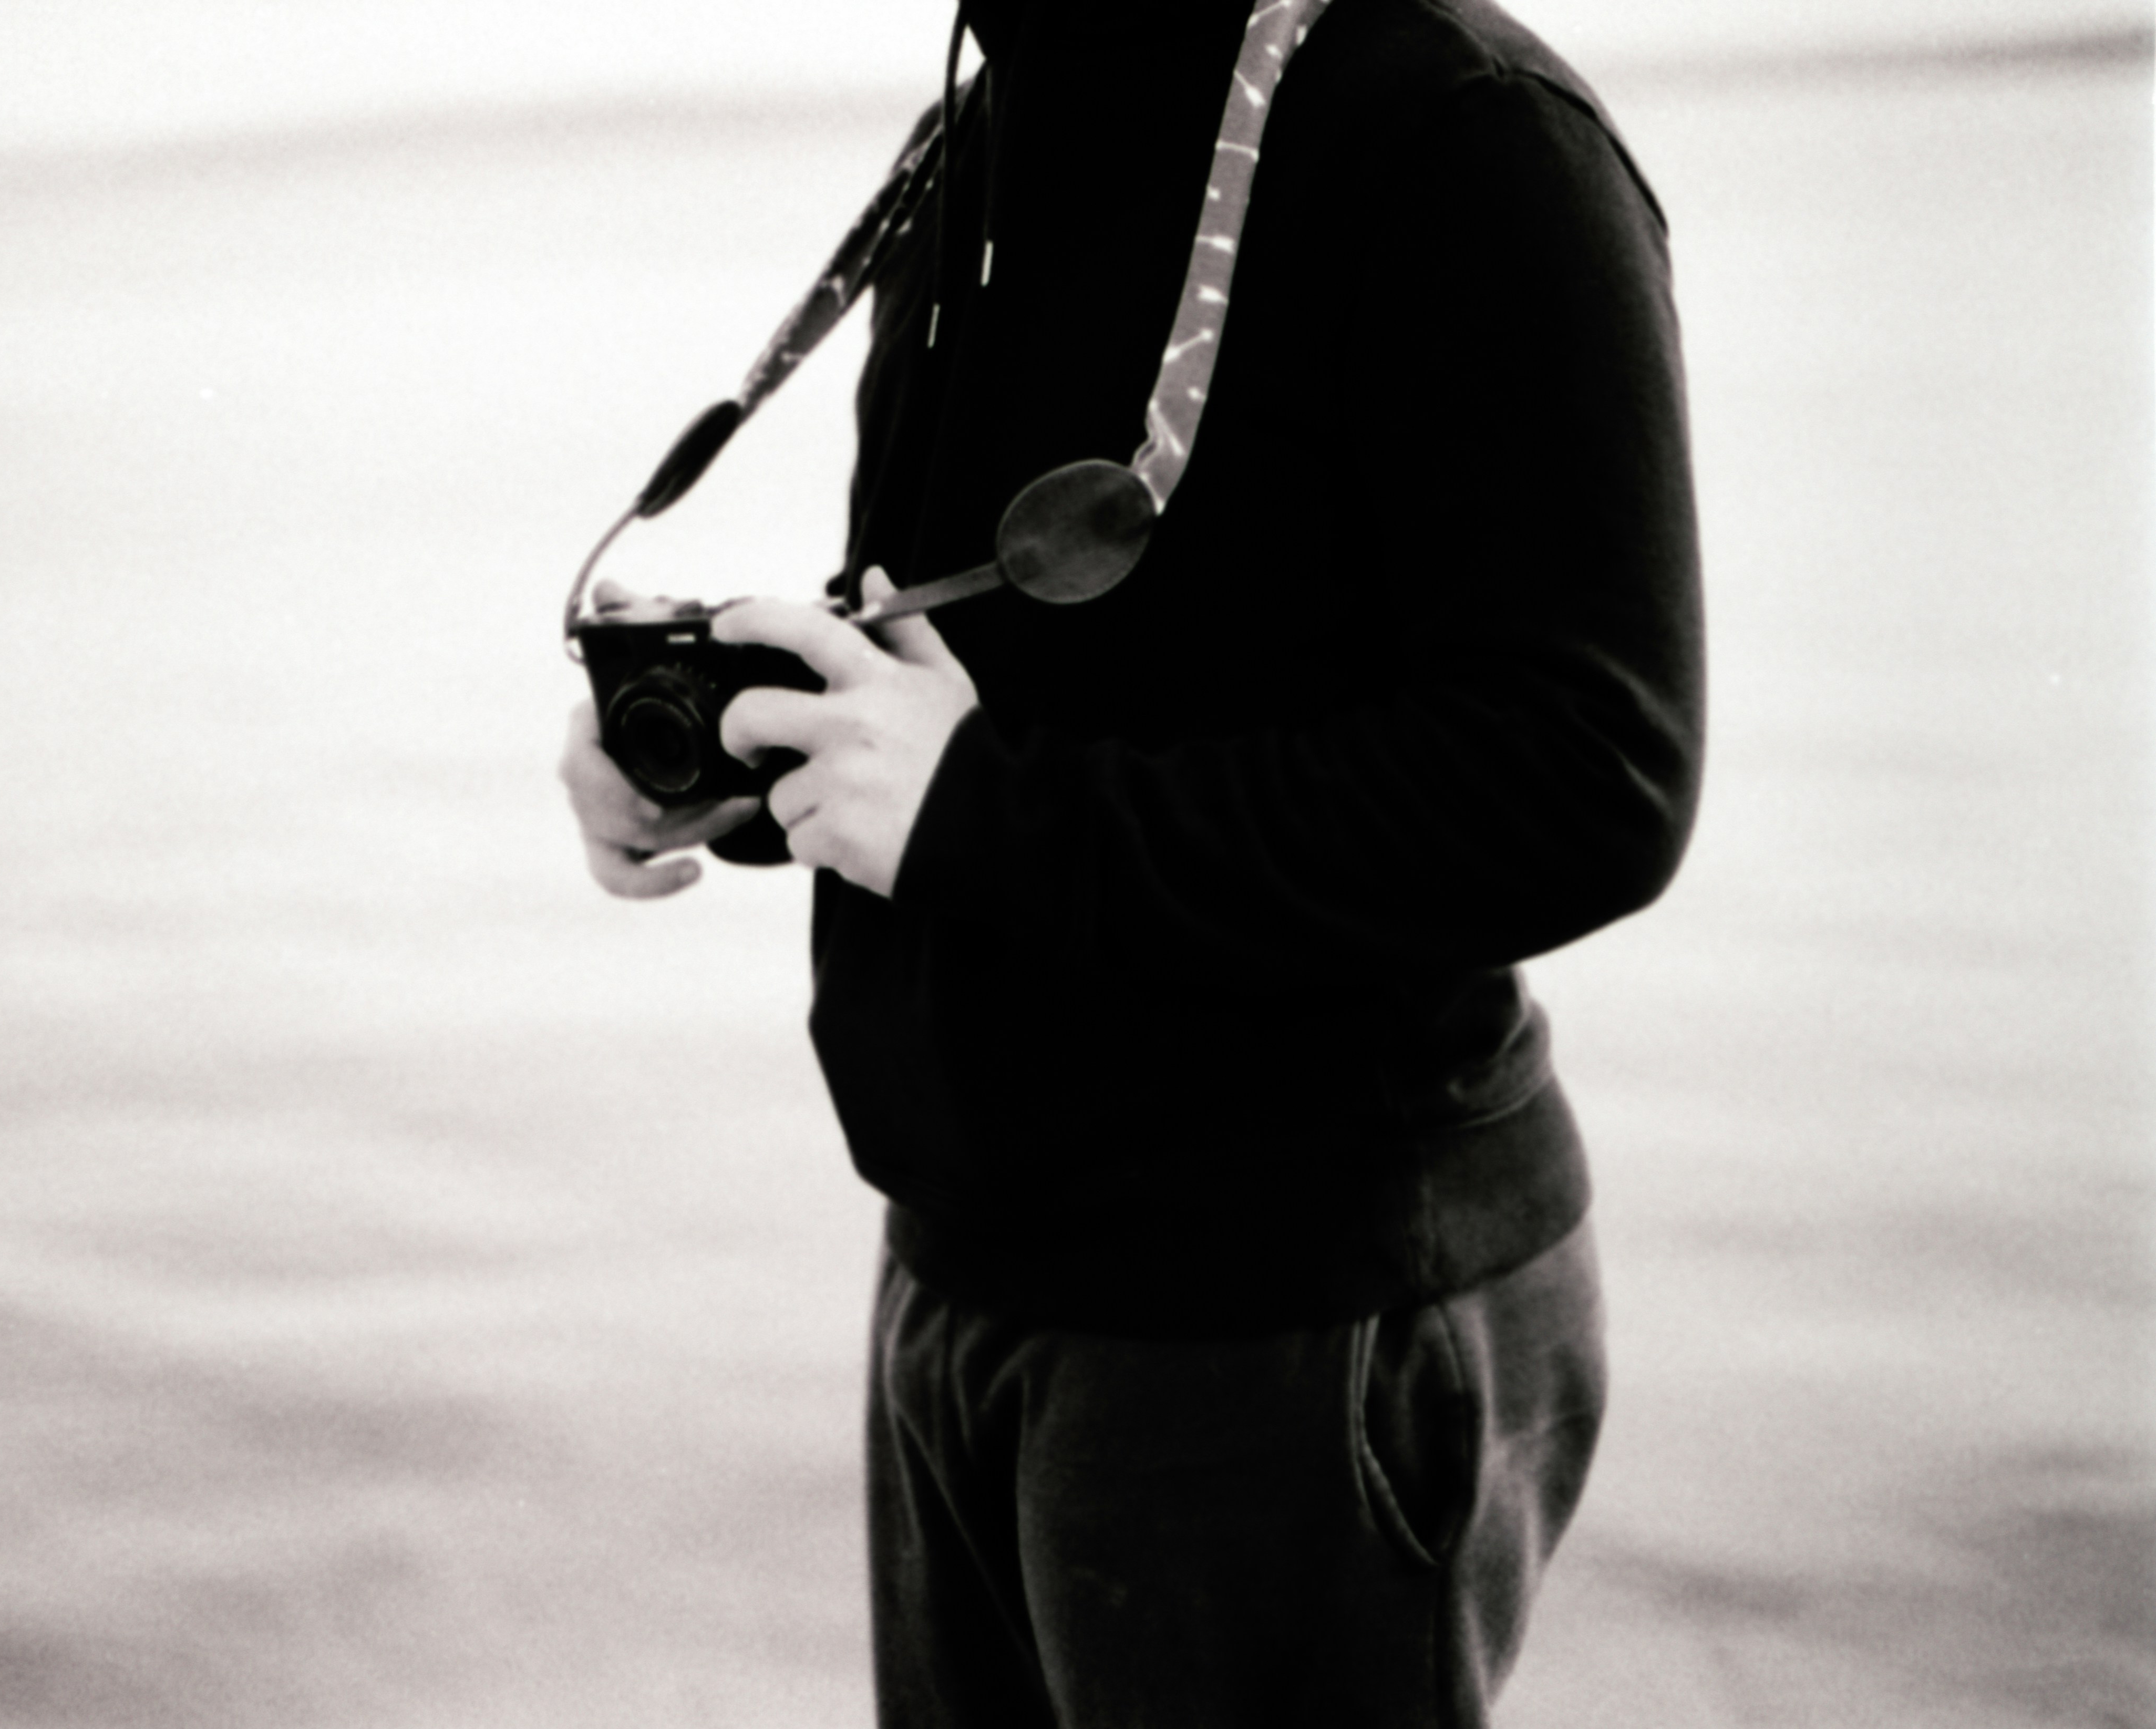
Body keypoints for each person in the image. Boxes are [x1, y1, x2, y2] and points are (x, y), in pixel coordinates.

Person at [559, 0, 1703, 1721]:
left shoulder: (1458, 122)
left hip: (1287, 1309)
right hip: (965, 1270)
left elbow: (1590, 771)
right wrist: (726, 755)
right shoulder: (994, 124)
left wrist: (979, 815)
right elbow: (1037, 690)